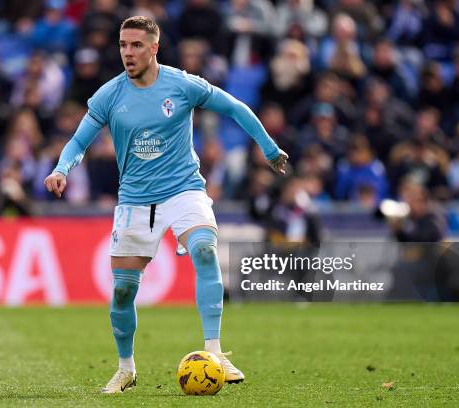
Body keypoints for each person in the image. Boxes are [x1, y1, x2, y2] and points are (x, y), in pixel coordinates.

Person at [44, 16, 288, 393]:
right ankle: (126, 368)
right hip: (135, 202)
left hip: (184, 190)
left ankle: (215, 352)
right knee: (123, 290)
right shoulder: (109, 95)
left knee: (204, 251)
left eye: (136, 45)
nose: (128, 52)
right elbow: (78, 142)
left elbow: (235, 107)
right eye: (123, 45)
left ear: (154, 47)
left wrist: (269, 149)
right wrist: (62, 168)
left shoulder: (183, 84)